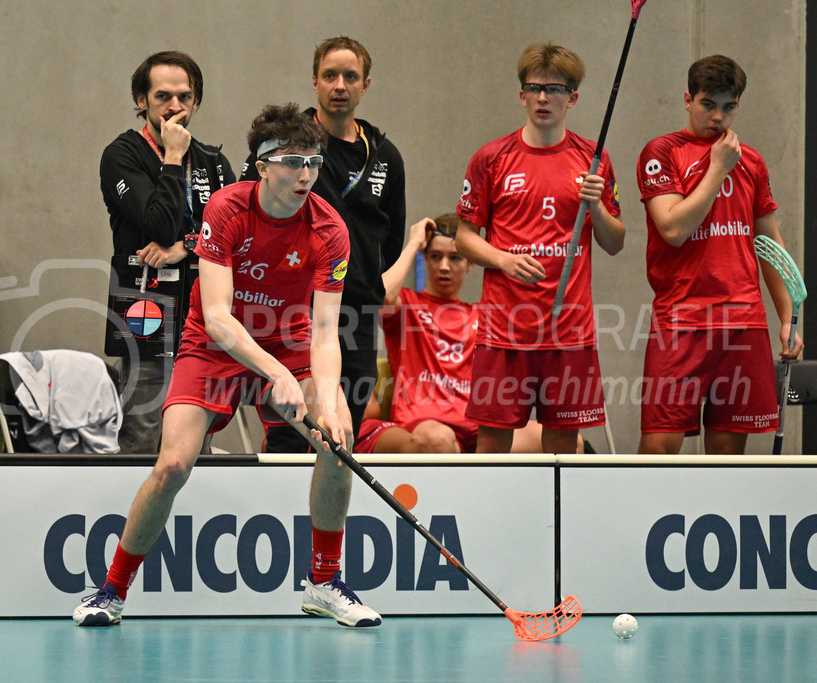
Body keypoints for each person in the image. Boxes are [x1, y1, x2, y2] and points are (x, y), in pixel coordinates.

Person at [74, 103, 381, 629]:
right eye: (291, 161)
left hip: (289, 345)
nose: (305, 173)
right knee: (173, 464)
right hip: (214, 347)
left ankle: (325, 582)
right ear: (262, 166)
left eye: (312, 161)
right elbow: (217, 317)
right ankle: (111, 590)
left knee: (337, 441)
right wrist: (274, 374)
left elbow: (326, 330)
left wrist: (327, 403)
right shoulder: (227, 209)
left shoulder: (330, 230)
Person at [454, 43, 624, 455]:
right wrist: (504, 260)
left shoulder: (594, 160)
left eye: (555, 89)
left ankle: (557, 520)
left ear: (573, 98)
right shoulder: (491, 159)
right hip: (504, 329)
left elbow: (615, 242)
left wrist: (597, 205)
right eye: (534, 88)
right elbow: (464, 236)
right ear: (522, 95)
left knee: (564, 446)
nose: (544, 98)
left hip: (569, 331)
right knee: (492, 440)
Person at [240, 36, 406, 452]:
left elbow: (393, 239)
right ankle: (279, 515)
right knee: (292, 427)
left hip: (356, 314)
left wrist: (373, 288)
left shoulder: (386, 156)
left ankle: (325, 516)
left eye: (350, 76)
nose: (339, 85)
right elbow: (248, 212)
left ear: (366, 84)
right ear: (314, 81)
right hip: (293, 311)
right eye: (330, 75)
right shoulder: (288, 148)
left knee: (340, 430)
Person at [635, 55, 803, 455]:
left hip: (743, 322)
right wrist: (717, 170)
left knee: (728, 456)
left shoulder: (754, 162)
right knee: (657, 449)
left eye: (729, 107)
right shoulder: (662, 152)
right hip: (682, 321)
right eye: (708, 104)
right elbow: (674, 229)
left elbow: (771, 248)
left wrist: (787, 318)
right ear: (688, 99)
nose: (718, 117)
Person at [101, 51, 235, 453]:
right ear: (141, 99)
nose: (175, 107)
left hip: (202, 311)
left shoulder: (213, 161)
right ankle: (135, 517)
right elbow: (158, 222)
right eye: (163, 97)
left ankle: (193, 517)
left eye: (184, 97)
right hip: (146, 304)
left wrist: (186, 246)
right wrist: (174, 156)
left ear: (196, 101)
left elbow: (235, 240)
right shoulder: (122, 155)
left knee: (197, 435)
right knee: (144, 429)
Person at [354, 213, 549, 454]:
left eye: (455, 258)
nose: (444, 266)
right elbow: (380, 297)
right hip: (426, 424)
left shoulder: (483, 314)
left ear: (470, 263)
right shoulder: (406, 305)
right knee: (439, 440)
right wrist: (414, 244)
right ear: (425, 258)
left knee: (556, 442)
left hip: (477, 426)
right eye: (435, 256)